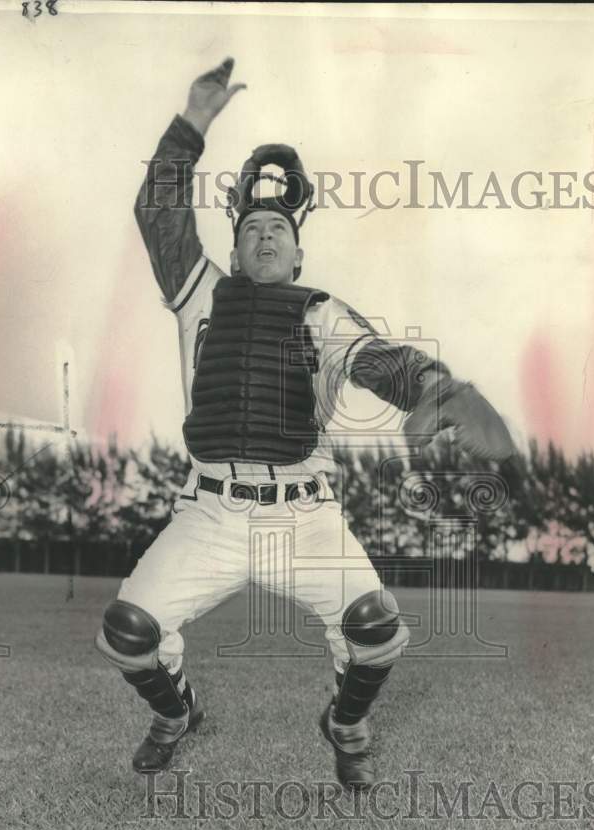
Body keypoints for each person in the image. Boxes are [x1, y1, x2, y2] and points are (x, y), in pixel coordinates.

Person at [95, 58, 513, 791]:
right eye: (251, 228)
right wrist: (193, 121)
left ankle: (345, 722)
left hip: (303, 517)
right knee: (127, 633)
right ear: (233, 249)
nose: (264, 237)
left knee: (375, 628)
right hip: (211, 512)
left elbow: (381, 361)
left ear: (298, 251)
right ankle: (175, 710)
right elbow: (157, 213)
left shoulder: (323, 313)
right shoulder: (198, 292)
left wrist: (438, 387)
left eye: (277, 230)